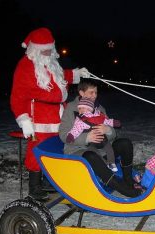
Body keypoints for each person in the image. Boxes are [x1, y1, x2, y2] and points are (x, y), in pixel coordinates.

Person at [10, 27, 90, 201]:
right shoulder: (24, 66)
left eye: (49, 48)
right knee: (36, 150)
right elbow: (17, 95)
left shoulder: (51, 61)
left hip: (58, 114)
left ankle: (50, 181)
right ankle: (35, 187)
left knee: (58, 147)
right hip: (37, 118)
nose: (47, 52)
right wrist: (23, 119)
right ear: (34, 49)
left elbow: (60, 75)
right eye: (43, 49)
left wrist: (76, 74)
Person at [59, 80, 142, 198]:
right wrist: (86, 138)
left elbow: (113, 133)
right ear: (81, 93)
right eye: (91, 92)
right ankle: (120, 186)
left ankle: (128, 180)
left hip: (102, 149)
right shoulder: (71, 108)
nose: (94, 95)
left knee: (125, 143)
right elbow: (63, 135)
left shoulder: (99, 108)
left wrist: (107, 130)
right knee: (90, 155)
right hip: (80, 151)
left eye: (96, 93)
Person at [66, 97, 121, 172]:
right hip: (92, 142)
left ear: (89, 109)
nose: (80, 110)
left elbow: (106, 121)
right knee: (94, 152)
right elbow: (76, 129)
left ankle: (111, 163)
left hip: (103, 139)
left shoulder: (98, 115)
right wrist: (71, 135)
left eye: (83, 108)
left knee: (109, 148)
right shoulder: (81, 120)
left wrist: (114, 122)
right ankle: (105, 166)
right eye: (79, 108)